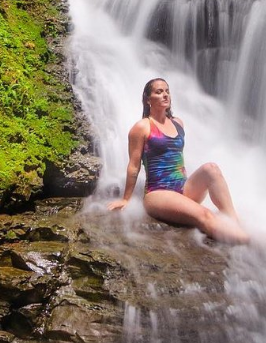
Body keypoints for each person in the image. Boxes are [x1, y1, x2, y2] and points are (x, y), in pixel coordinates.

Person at [107, 77, 249, 245]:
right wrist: (126, 199)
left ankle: (234, 223)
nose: (165, 95)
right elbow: (134, 165)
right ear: (147, 99)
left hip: (183, 190)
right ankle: (249, 242)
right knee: (205, 215)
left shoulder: (178, 123)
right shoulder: (142, 127)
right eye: (159, 92)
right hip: (158, 194)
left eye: (167, 91)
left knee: (211, 168)